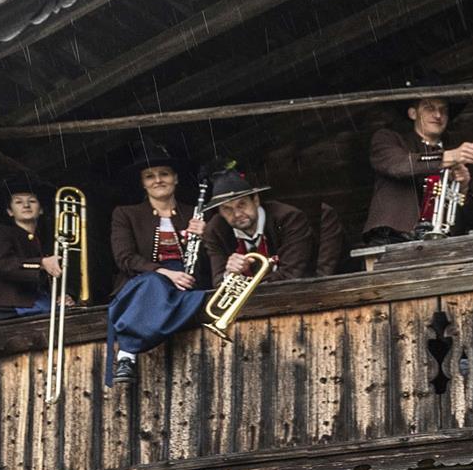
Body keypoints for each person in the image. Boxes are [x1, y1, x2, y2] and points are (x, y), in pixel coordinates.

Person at [101, 148, 218, 390]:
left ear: (175, 178)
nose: (158, 180)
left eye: (164, 174)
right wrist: (164, 273)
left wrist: (207, 235)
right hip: (143, 283)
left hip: (187, 283)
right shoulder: (126, 214)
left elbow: (216, 257)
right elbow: (124, 258)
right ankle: (127, 354)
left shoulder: (196, 213)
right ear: (143, 183)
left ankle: (127, 352)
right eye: (149, 176)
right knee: (153, 283)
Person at [363, 95, 473, 245]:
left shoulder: (456, 153)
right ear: (413, 113)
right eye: (429, 108)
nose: (438, 115)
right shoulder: (388, 138)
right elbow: (398, 166)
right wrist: (446, 157)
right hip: (393, 238)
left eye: (443, 110)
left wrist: (463, 189)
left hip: (445, 245)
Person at [201, 166, 315, 302]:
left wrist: (247, 286)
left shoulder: (288, 218)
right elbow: (218, 282)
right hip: (249, 305)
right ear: (220, 212)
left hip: (298, 296)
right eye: (227, 209)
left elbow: (292, 273)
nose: (237, 214)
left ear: (255, 200)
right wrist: (230, 274)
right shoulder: (214, 231)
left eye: (241, 204)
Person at [0, 183, 59, 316]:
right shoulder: (0, 231)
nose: (26, 205)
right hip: (10, 307)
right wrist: (41, 263)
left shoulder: (46, 237)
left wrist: (65, 294)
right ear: (10, 211)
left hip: (43, 303)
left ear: (41, 210)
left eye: (32, 201)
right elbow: (1, 265)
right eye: (18, 202)